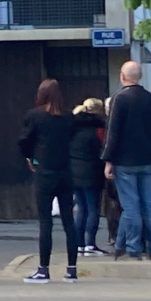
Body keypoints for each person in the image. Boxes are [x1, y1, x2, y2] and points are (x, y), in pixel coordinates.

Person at [18, 79, 80, 283]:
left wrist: (30, 157)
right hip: (65, 172)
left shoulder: (34, 116)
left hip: (44, 172)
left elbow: (24, 141)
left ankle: (43, 270)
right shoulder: (69, 117)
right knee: (68, 221)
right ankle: (71, 270)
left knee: (45, 222)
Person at [101, 61, 151, 261]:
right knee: (147, 204)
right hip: (147, 160)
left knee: (130, 207)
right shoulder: (149, 98)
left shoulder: (119, 99)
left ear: (122, 76)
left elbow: (113, 132)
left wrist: (108, 160)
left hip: (125, 161)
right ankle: (127, 244)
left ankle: (133, 248)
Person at [70, 97, 108, 256]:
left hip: (73, 172)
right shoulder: (99, 130)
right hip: (92, 172)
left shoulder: (73, 128)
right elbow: (103, 150)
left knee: (81, 209)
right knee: (93, 208)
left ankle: (78, 244)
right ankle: (90, 245)